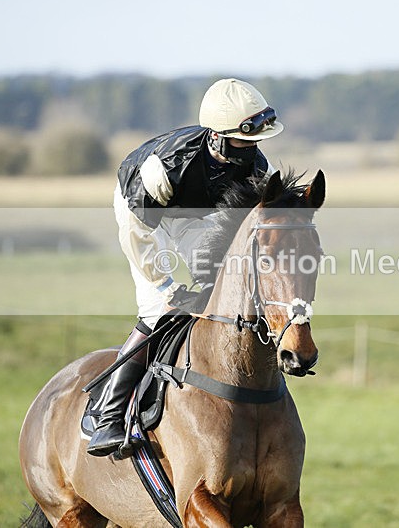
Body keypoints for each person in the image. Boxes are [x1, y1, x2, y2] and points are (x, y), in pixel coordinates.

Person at [87, 78, 284, 457]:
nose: (253, 149)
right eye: (245, 141)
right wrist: (164, 285)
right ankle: (108, 413)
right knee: (160, 308)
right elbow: (137, 234)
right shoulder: (164, 169)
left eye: (257, 141)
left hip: (196, 213)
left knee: (215, 287)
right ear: (219, 137)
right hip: (144, 215)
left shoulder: (259, 165)